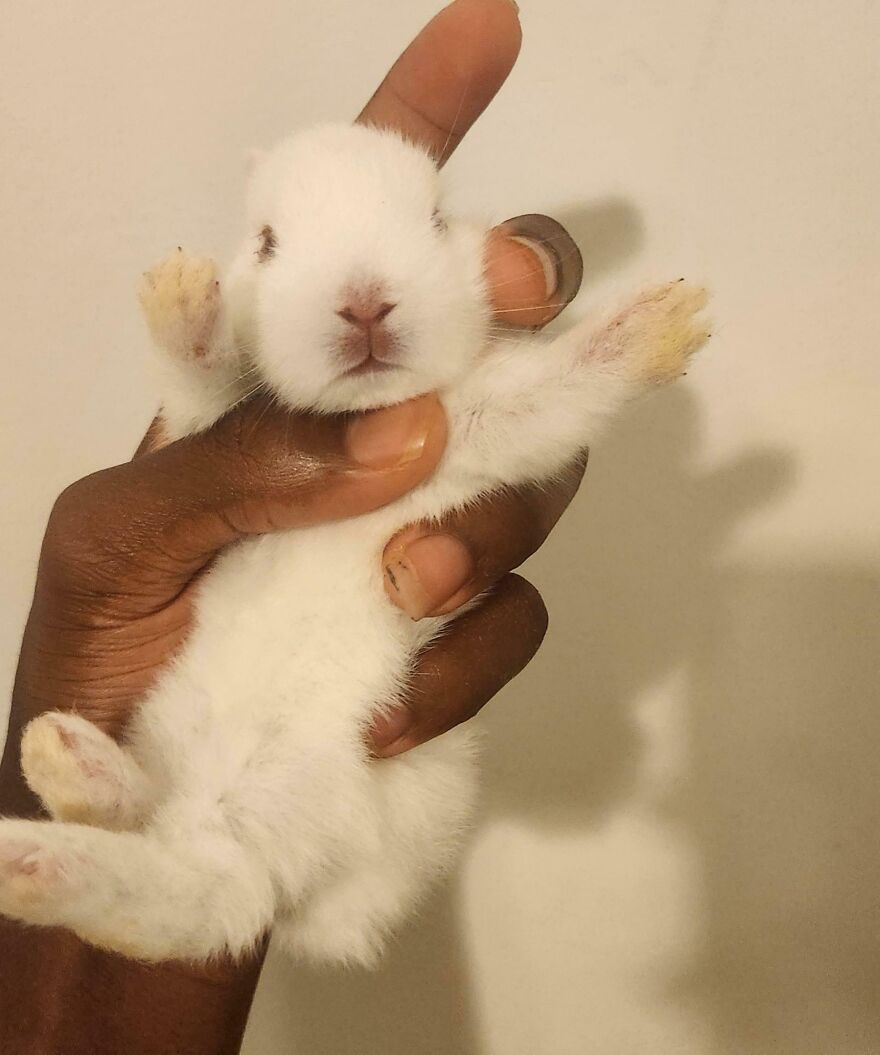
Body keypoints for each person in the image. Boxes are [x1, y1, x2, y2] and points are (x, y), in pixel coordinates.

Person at [0, 1, 586, 1051]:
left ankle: (158, 863)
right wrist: (194, 345)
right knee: (187, 740)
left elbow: (546, 402)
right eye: (275, 242)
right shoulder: (241, 385)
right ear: (251, 245)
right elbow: (204, 407)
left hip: (344, 760)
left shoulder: (458, 361)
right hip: (233, 691)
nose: (360, 299)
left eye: (424, 227)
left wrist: (604, 361)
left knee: (270, 790)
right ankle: (133, 824)